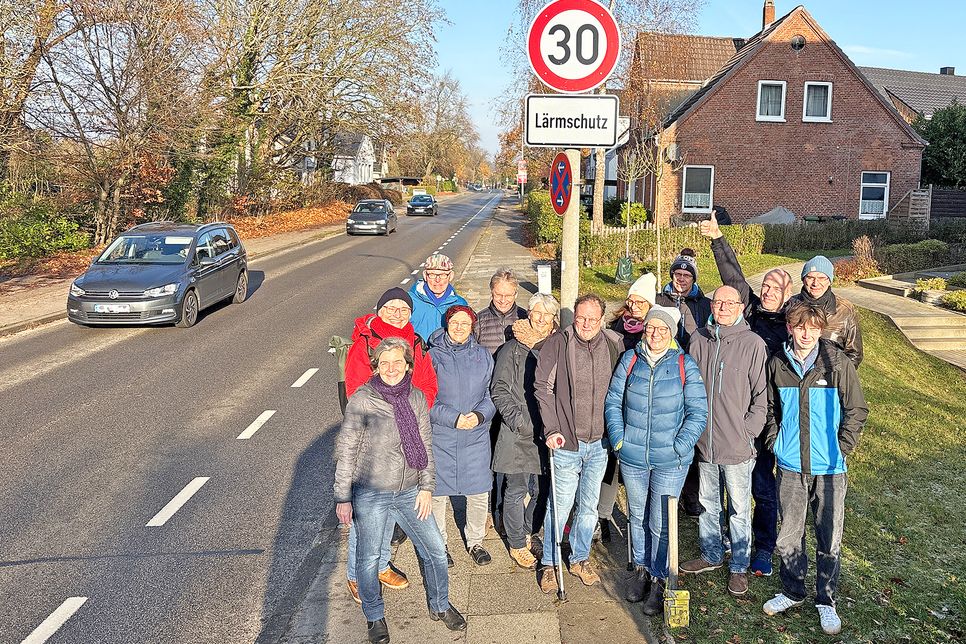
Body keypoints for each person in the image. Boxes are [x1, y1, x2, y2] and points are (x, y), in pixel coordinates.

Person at [334, 338, 467, 644]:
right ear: (376, 366)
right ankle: (374, 616)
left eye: (398, 363)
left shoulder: (417, 398)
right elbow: (347, 451)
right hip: (371, 493)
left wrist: (426, 487)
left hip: (410, 492)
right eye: (384, 363)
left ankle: (440, 605)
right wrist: (343, 496)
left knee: (434, 550)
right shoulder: (362, 400)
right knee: (367, 560)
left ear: (408, 365)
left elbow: (425, 447)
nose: (391, 369)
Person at [762, 303, 867, 636]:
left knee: (828, 536)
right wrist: (775, 442)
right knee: (789, 534)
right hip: (791, 465)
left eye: (812, 327)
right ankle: (792, 590)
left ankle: (826, 599)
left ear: (820, 328)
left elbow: (856, 410)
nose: (806, 334)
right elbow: (769, 409)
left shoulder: (836, 362)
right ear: (790, 328)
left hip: (830, 468)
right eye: (799, 327)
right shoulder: (778, 362)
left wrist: (842, 447)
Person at [700, 211, 794, 576]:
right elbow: (733, 279)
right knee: (721, 483)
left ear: (787, 295)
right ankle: (721, 540)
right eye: (765, 285)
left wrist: (756, 426)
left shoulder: (789, 325)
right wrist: (717, 240)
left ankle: (764, 547)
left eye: (776, 287)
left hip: (769, 416)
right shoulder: (749, 310)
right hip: (732, 410)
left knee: (761, 487)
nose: (768, 291)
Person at [604, 305, 708, 615]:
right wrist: (620, 439)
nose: (656, 333)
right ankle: (642, 571)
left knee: (661, 521)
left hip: (670, 461)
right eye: (651, 328)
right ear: (645, 329)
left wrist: (680, 446)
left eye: (663, 329)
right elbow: (613, 401)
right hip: (634, 456)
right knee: (637, 515)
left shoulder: (683, 365)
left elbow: (698, 411)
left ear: (671, 333)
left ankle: (661, 578)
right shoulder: (630, 359)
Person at [342, 287, 439, 602]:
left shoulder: (415, 343)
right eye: (391, 308)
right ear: (379, 310)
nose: (398, 313)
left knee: (391, 507)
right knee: (368, 511)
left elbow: (427, 385)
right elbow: (357, 391)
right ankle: (357, 575)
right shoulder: (365, 344)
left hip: (407, 439)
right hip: (374, 443)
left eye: (404, 309)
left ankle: (380, 563)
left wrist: (414, 410)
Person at [680, 286, 769, 597]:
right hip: (704, 443)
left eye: (730, 303)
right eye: (718, 302)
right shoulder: (699, 340)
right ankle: (712, 554)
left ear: (741, 307)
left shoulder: (752, 344)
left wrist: (747, 432)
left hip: (737, 445)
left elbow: (761, 398)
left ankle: (739, 567)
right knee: (707, 504)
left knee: (739, 509)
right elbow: (688, 387)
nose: (723, 307)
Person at [534, 294, 623, 592]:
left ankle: (580, 557)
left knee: (588, 506)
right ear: (574, 316)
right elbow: (543, 388)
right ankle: (549, 562)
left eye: (592, 319)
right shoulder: (559, 343)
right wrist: (552, 428)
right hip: (566, 443)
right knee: (559, 505)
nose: (585, 324)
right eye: (581, 318)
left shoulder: (613, 344)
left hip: (599, 444)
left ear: (601, 320)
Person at [490, 293, 559, 569]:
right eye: (536, 313)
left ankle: (529, 531)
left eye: (547, 314)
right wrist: (518, 420)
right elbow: (499, 389)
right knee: (516, 489)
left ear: (554, 319)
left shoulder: (556, 347)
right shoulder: (511, 349)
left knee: (542, 488)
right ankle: (517, 543)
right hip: (517, 432)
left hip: (546, 430)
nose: (541, 319)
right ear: (529, 314)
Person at [427, 306, 497, 567]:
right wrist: (452, 418)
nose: (459, 327)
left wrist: (479, 416)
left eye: (465, 323)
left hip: (476, 434)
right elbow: (426, 397)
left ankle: (476, 541)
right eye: (454, 322)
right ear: (447, 324)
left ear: (472, 326)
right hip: (442, 434)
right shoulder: (432, 356)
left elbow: (492, 393)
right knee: (437, 494)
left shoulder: (483, 356)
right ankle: (439, 544)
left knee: (479, 492)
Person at [597, 271, 658, 542]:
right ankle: (602, 515)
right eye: (631, 301)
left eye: (640, 303)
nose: (633, 307)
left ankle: (640, 523)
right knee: (610, 467)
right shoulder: (614, 328)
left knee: (633, 471)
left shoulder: (654, 333)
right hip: (614, 402)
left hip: (640, 409)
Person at [656, 248, 711, 517]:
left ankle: (691, 494)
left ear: (693, 278)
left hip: (692, 372)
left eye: (686, 275)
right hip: (665, 373)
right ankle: (668, 492)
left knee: (691, 435)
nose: (681, 279)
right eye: (677, 274)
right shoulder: (660, 299)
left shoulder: (703, 303)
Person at [791, 256, 863, 367]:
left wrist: (838, 377)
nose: (815, 283)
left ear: (829, 281)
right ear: (803, 279)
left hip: (829, 378)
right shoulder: (791, 305)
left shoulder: (845, 310)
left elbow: (854, 353)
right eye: (810, 277)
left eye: (821, 278)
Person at [409, 253, 468, 342]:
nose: (437, 280)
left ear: (450, 276)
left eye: (443, 275)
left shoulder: (460, 304)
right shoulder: (409, 301)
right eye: (432, 274)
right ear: (425, 275)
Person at [474, 268, 527, 354]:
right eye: (498, 295)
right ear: (491, 292)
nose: (503, 300)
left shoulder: (525, 318)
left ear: (516, 295)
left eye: (508, 295)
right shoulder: (478, 320)